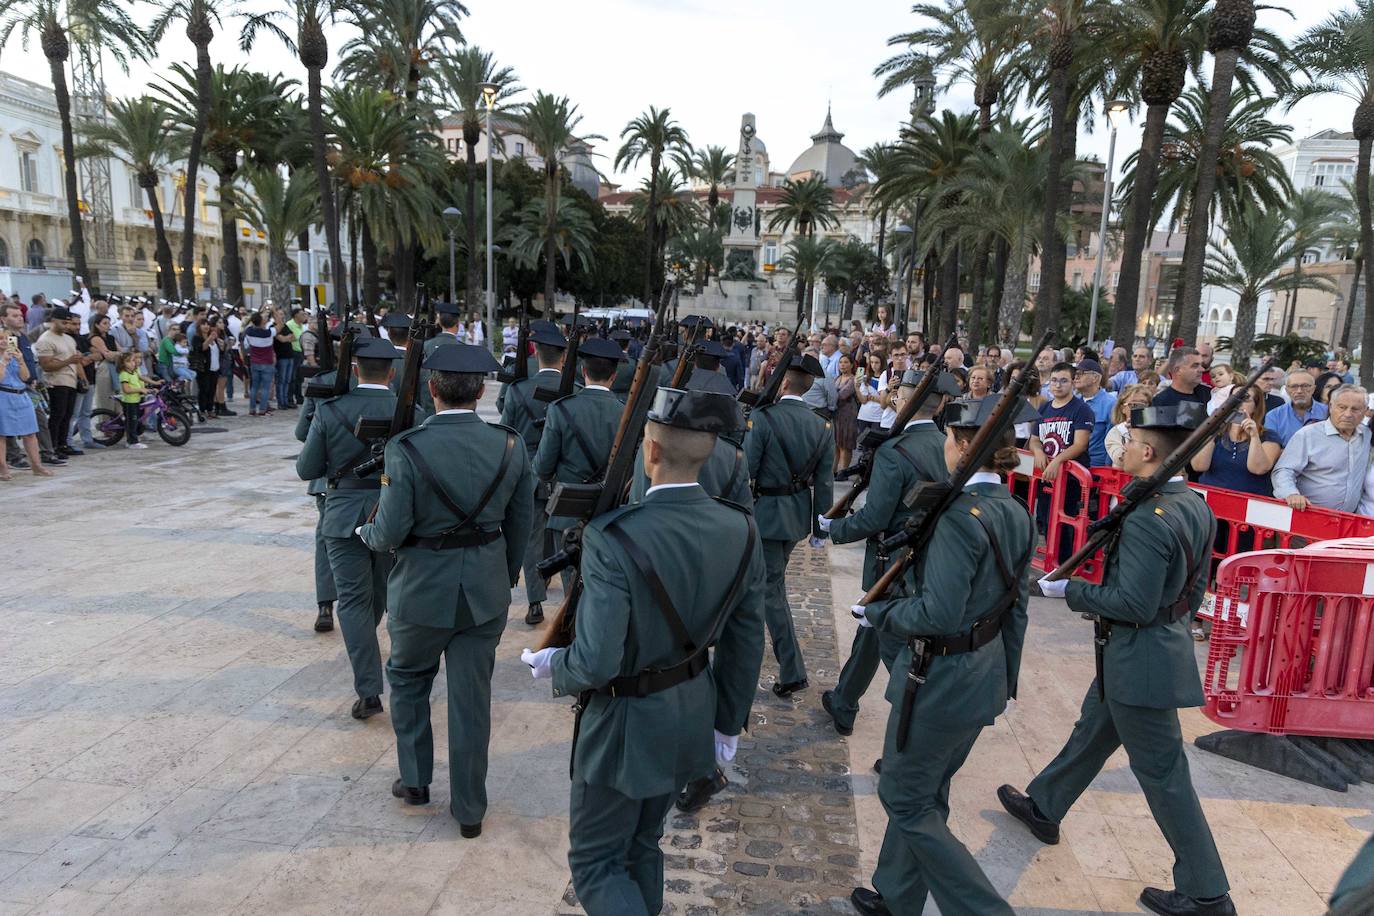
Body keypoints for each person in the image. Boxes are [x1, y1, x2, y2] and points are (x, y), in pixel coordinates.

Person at [521, 387, 765, 916]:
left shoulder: (615, 536)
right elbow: (747, 639)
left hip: (623, 724)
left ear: (649, 451)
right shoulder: (742, 529)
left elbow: (595, 661)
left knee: (596, 864)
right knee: (642, 844)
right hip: (691, 708)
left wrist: (550, 665)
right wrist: (726, 723)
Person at [1003, 401, 1235, 916]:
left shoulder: (1151, 518)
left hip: (1141, 660)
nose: (1123, 448)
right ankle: (1045, 804)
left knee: (1165, 776)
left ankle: (1206, 891)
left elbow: (1133, 603)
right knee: (1093, 730)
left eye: (1129, 442)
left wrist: (1071, 593)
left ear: (1149, 452)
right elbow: (1194, 590)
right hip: (1142, 651)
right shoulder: (1192, 503)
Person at [847, 396, 1035, 916]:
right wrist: (1006, 680)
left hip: (940, 677)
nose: (944, 446)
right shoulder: (1016, 511)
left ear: (962, 446)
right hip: (982, 673)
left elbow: (937, 613)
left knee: (905, 799)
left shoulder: (957, 517)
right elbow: (1015, 610)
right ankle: (898, 894)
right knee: (928, 789)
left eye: (950, 438)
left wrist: (881, 615)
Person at [359, 343, 531, 833]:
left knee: (410, 681)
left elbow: (389, 533)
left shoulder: (406, 447)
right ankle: (470, 810)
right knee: (471, 699)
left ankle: (415, 780)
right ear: (480, 391)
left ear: (431, 389)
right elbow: (522, 524)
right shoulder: (511, 445)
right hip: (485, 588)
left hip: (420, 589)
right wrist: (506, 573)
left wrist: (364, 535)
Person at [818, 368, 955, 744]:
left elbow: (876, 516)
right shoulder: (948, 444)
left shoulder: (896, 451)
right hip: (927, 556)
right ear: (941, 404)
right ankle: (844, 701)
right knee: (873, 629)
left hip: (891, 561)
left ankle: (918, 735)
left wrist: (836, 530)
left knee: (896, 651)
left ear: (899, 401)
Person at [294, 336, 402, 720]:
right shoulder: (410, 411)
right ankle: (369, 651)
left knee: (355, 603)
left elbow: (306, 469)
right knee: (381, 596)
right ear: (391, 373)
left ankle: (369, 690)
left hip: (342, 515)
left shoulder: (330, 409)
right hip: (391, 512)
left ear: (356, 371)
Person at [744, 352, 834, 697]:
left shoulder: (765, 418)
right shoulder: (822, 426)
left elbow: (748, 471)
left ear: (783, 382)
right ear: (809, 387)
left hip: (765, 515)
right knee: (771, 585)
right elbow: (824, 483)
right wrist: (820, 527)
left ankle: (793, 669)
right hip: (797, 515)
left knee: (770, 591)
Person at [532, 337, 627, 595]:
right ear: (614, 376)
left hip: (567, 517)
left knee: (571, 595)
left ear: (583, 372)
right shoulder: (626, 413)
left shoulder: (561, 409)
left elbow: (542, 468)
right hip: (611, 515)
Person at [497, 323, 566, 626]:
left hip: (529, 470)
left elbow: (506, 429)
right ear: (564, 357)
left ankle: (535, 602)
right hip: (564, 472)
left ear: (536, 352)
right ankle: (571, 603)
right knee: (568, 540)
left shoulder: (518, 389)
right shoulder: (573, 390)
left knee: (531, 539)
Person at [1272, 385, 1372, 513]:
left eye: (1355, 409)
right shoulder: (1308, 435)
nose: (1347, 414)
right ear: (1331, 406)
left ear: (1366, 411)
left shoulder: (1366, 435)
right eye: (1342, 407)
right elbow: (1284, 470)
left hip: (1348, 521)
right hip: (1309, 516)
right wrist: (1291, 493)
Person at [1191, 384, 1282, 496]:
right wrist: (1212, 431)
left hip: (1249, 504)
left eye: (1245, 398)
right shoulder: (1217, 433)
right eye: (1234, 398)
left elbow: (1258, 469)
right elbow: (1198, 466)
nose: (1238, 403)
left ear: (1256, 406)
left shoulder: (1268, 436)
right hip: (1209, 498)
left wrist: (1254, 437)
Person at [34, 307, 89, 458]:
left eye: (68, 323)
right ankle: (52, 447)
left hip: (71, 381)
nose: (66, 326)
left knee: (68, 415)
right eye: (63, 322)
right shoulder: (45, 339)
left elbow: (76, 361)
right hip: (56, 382)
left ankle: (63, 444)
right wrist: (68, 361)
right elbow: (46, 365)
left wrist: (83, 378)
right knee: (57, 415)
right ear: (53, 321)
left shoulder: (69, 339)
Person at [0, 324, 51, 479]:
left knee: (30, 433)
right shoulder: (4, 358)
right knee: (1, 435)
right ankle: (3, 469)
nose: (3, 342)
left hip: (21, 394)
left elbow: (25, 376)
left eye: (6, 338)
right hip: (3, 395)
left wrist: (21, 361)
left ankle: (37, 466)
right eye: (0, 339)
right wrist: (3, 361)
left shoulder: (15, 355)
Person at [1074, 358, 1117, 468]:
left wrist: (1107, 468)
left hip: (1096, 467)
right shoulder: (1073, 402)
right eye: (1076, 373)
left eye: (1081, 373)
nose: (1076, 377)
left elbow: (1112, 440)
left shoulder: (1111, 404)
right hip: (1072, 464)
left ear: (1095, 378)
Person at [1266, 370, 1326, 447]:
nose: (1299, 391)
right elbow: (1270, 450)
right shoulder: (1274, 416)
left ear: (1313, 389)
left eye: (1305, 386)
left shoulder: (1328, 412)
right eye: (1294, 386)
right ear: (1287, 390)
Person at [116, 350, 157, 449]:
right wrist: (140, 389)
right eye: (129, 361)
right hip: (129, 402)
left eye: (133, 361)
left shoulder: (134, 372)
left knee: (136, 420)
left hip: (136, 400)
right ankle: (132, 442)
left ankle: (134, 438)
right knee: (132, 422)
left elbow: (142, 378)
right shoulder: (124, 374)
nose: (133, 363)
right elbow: (126, 389)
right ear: (123, 364)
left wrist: (153, 385)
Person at [1105, 384, 1153, 468]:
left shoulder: (1158, 430)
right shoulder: (1115, 433)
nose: (1139, 409)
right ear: (1122, 408)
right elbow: (1123, 461)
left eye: (1143, 404)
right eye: (1133, 405)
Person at [244, 312, 277, 417]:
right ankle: (262, 409)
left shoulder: (249, 331)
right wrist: (274, 311)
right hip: (267, 362)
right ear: (262, 321)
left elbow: (248, 324)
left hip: (254, 362)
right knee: (265, 388)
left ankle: (252, 409)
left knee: (254, 387)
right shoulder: (268, 333)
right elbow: (280, 324)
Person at [833, 354, 859, 471]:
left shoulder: (853, 379)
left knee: (845, 444)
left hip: (848, 414)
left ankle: (844, 470)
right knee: (836, 444)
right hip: (836, 414)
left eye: (846, 362)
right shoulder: (836, 378)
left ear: (852, 365)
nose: (842, 365)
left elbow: (842, 395)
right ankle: (833, 470)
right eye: (841, 362)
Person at [272, 309, 297, 410]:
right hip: (281, 357)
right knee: (281, 380)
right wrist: (287, 338)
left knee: (287, 380)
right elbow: (281, 339)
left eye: (283, 314)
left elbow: (294, 337)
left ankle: (286, 401)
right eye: (280, 314)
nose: (282, 316)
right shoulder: (273, 327)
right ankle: (281, 402)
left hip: (290, 355)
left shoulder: (285, 326)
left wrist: (286, 338)